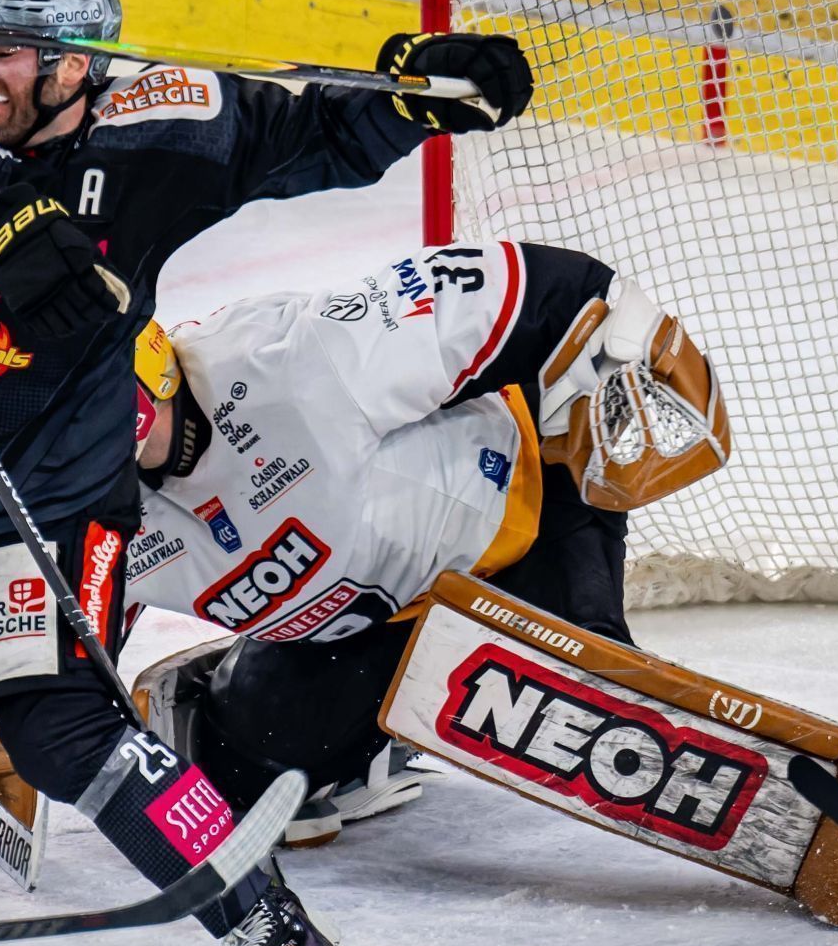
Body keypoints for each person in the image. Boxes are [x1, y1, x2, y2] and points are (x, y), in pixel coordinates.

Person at [0, 0, 533, 946]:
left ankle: (274, 940)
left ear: (75, 64)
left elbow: (313, 136)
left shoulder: (170, 124)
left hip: (49, 493)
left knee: (57, 727)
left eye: (8, 53)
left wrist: (420, 98)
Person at [121, 240, 697, 842]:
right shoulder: (70, 505)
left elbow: (533, 287)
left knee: (580, 700)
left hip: (521, 526)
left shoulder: (286, 360)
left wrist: (624, 331)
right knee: (245, 782)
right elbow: (52, 668)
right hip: (368, 629)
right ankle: (263, 709)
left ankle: (582, 630)